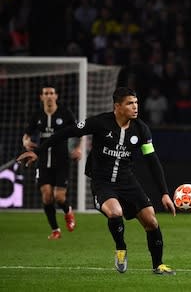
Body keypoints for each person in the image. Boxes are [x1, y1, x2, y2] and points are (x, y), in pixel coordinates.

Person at [17, 87, 177, 275]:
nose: (135, 107)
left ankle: (158, 265)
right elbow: (66, 132)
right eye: (130, 103)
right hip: (103, 182)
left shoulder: (141, 129)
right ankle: (121, 248)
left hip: (128, 181)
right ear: (117, 106)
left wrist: (164, 193)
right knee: (115, 212)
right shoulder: (101, 122)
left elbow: (152, 161)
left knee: (151, 221)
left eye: (136, 103)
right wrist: (37, 151)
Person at [22, 83, 81, 240]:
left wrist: (79, 148)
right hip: (43, 161)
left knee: (59, 197)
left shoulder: (65, 113)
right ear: (41, 97)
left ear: (56, 96)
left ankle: (68, 212)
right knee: (47, 196)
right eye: (46, 93)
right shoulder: (37, 115)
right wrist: (26, 142)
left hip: (61, 159)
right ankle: (56, 230)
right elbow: (26, 136)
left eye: (51, 93)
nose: (49, 95)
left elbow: (80, 131)